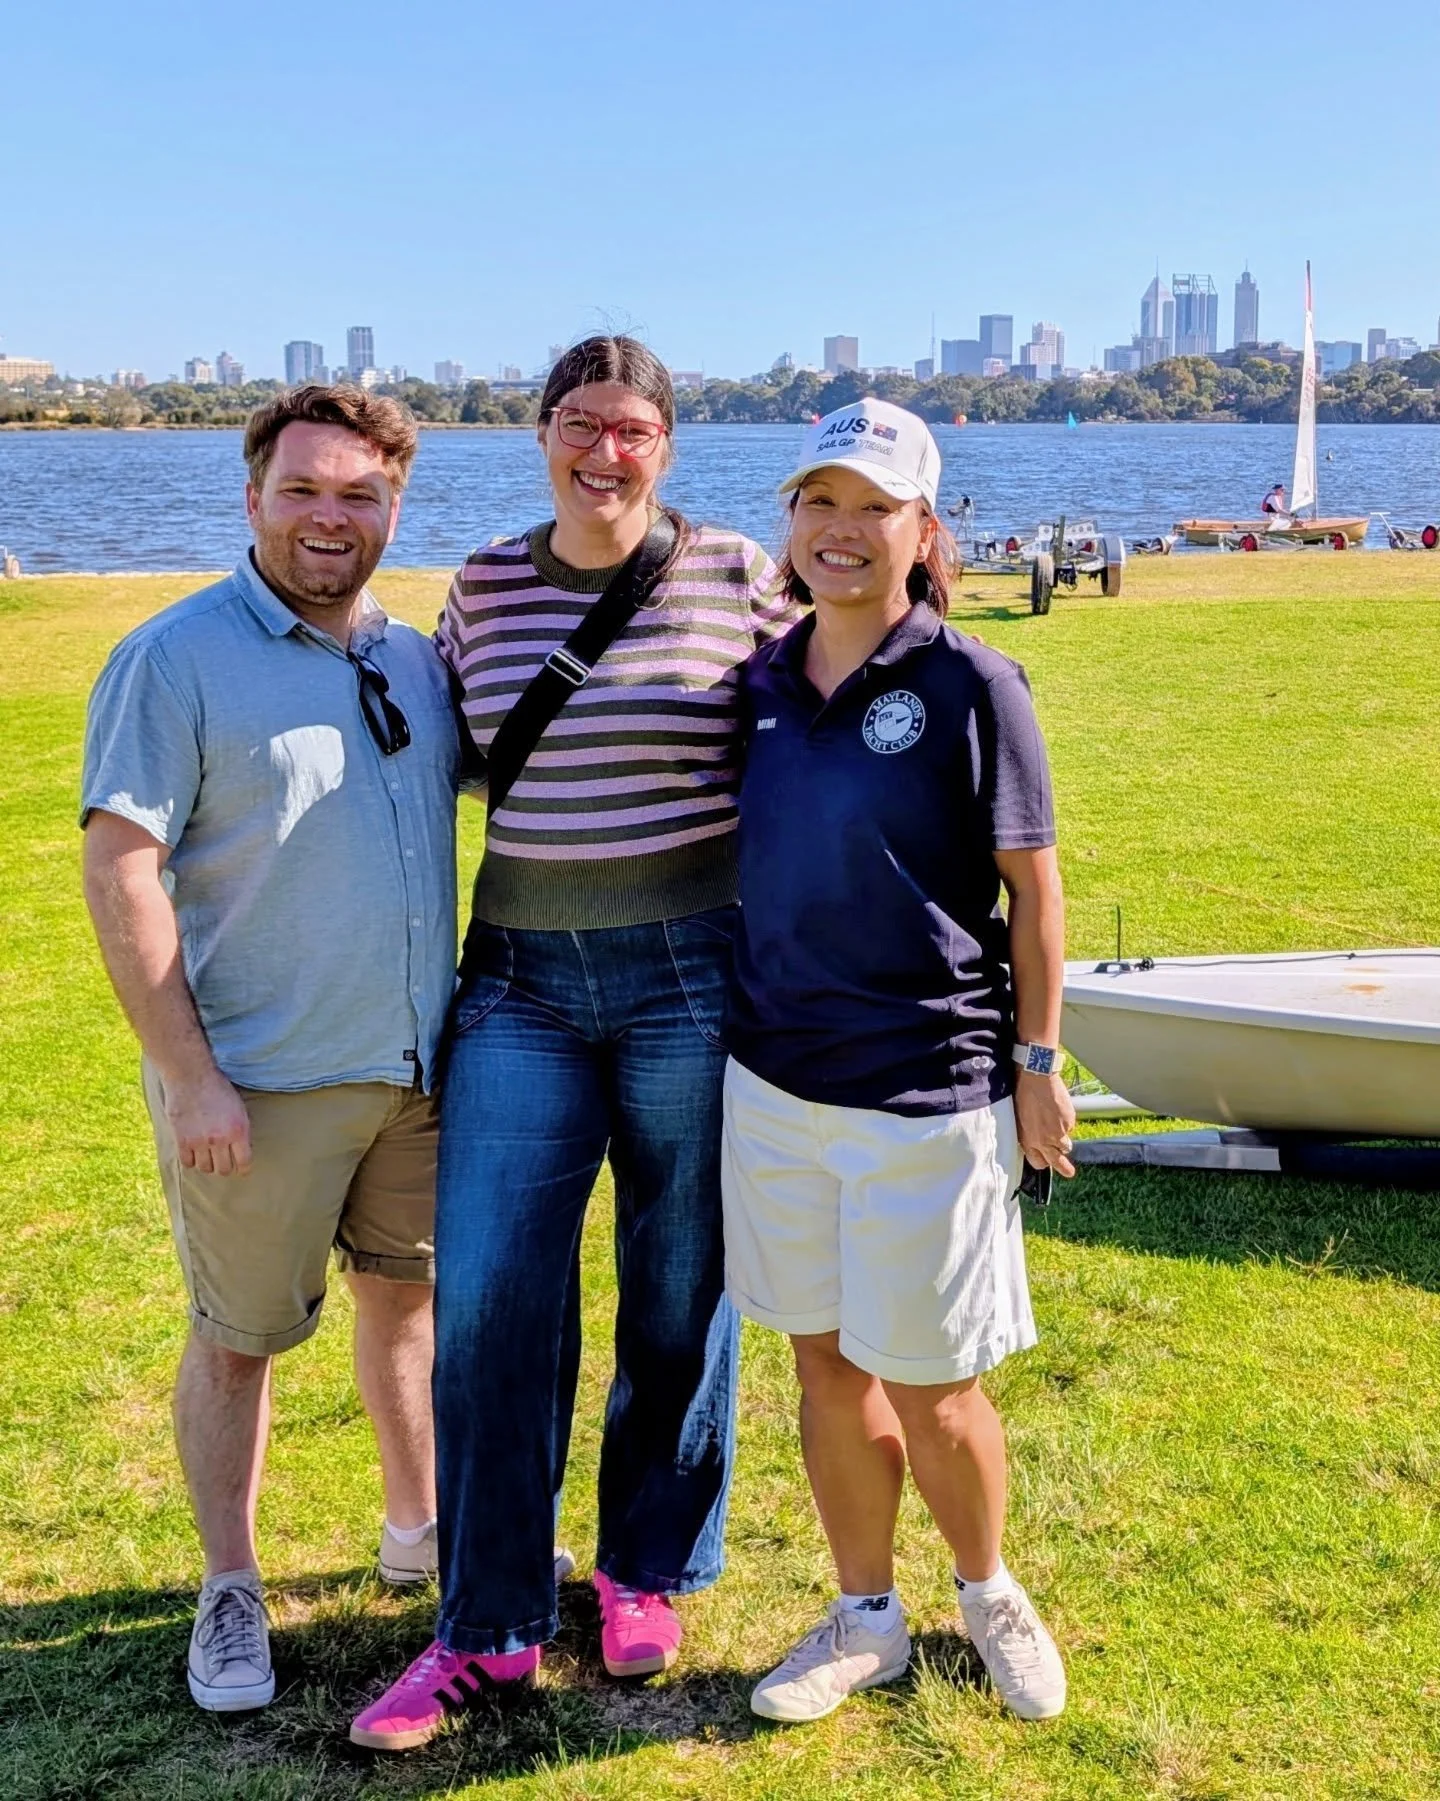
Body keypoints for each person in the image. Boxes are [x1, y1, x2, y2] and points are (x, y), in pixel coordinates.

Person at [351, 336, 802, 1752]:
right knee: (491, 1304)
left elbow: (823, 720)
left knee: (680, 1289)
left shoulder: (737, 574)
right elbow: (441, 756)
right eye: (580, 423)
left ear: (667, 445)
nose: (605, 452)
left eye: (633, 429)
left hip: (693, 977)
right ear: (540, 434)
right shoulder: (484, 587)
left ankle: (644, 1567)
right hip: (521, 986)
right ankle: (485, 1619)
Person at [81, 386, 460, 1713]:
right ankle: (230, 1589)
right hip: (255, 1086)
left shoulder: (416, 659)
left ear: (394, 508)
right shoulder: (174, 659)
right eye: (303, 490)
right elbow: (121, 868)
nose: (328, 517)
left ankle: (419, 1531)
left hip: (415, 1075)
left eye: (360, 494)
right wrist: (192, 1077)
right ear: (253, 498)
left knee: (406, 1307)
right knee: (238, 1339)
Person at [720, 398, 1072, 1724]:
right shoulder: (758, 682)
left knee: (935, 1383)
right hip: (774, 1085)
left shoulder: (973, 682)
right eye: (820, 502)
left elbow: (1034, 891)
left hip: (930, 1089)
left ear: (925, 529)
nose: (843, 529)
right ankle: (866, 1616)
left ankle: (986, 1591)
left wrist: (1038, 1059)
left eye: (875, 507)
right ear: (790, 522)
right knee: (826, 1365)